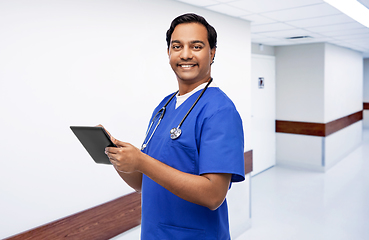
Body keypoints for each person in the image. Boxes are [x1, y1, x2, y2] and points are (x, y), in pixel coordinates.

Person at [104, 13, 245, 240]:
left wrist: (141, 161)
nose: (186, 54)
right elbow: (144, 182)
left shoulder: (221, 112)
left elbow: (213, 195)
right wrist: (119, 160)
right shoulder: (164, 106)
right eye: (177, 46)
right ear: (169, 53)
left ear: (212, 53)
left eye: (196, 46)